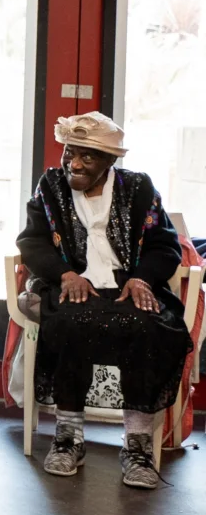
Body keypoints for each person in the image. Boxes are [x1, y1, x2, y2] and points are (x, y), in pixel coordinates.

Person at [17, 112, 192, 491]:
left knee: (151, 326)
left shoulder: (139, 188)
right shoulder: (50, 186)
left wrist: (142, 278)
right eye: (70, 153)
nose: (74, 164)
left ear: (111, 161)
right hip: (72, 285)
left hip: (127, 287)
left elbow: (164, 244)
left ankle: (138, 445)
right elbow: (32, 242)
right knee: (69, 323)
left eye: (88, 157)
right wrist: (65, 274)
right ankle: (68, 436)